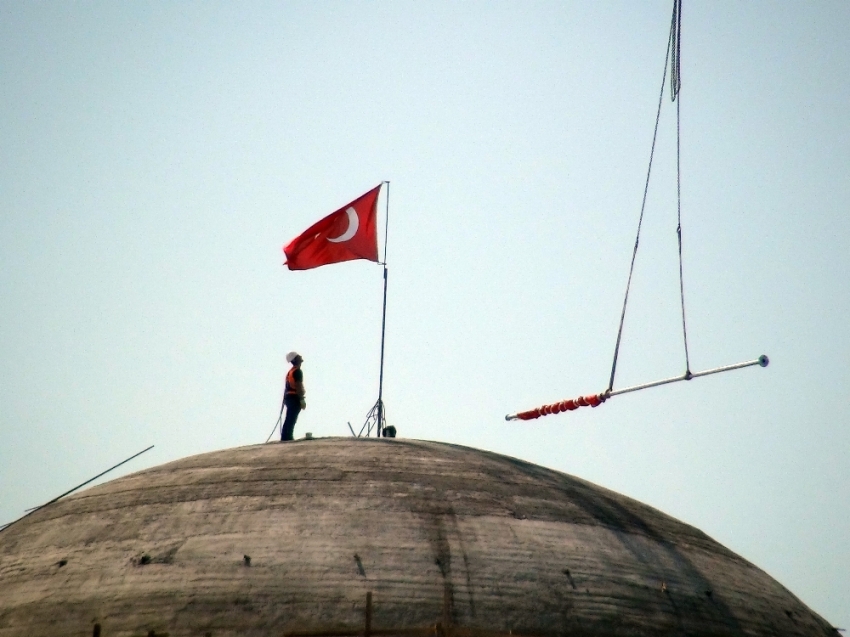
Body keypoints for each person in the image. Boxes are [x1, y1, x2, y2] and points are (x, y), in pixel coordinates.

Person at [281, 351, 306, 441]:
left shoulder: (291, 372)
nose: (301, 356)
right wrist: (301, 399)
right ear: (295, 359)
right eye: (298, 356)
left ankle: (285, 437)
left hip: (289, 397)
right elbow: (298, 386)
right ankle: (288, 437)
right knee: (292, 418)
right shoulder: (297, 371)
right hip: (294, 397)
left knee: (289, 418)